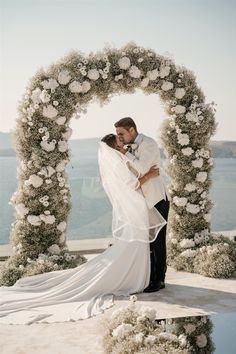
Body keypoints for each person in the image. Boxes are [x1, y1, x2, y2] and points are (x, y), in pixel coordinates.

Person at [0, 134, 166, 325]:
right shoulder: (118, 164)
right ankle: (133, 278)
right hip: (134, 210)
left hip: (135, 209)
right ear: (113, 148)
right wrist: (149, 176)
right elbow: (133, 185)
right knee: (135, 245)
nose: (123, 143)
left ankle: (139, 276)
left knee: (136, 245)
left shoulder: (120, 161)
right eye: (119, 142)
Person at [115, 117, 170, 292]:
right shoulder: (126, 149)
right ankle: (149, 276)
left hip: (157, 199)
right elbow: (131, 175)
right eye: (118, 135)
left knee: (158, 241)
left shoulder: (149, 144)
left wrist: (126, 154)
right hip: (139, 200)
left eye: (121, 133)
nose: (120, 138)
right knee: (146, 241)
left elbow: (141, 167)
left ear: (132, 130)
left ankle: (159, 279)